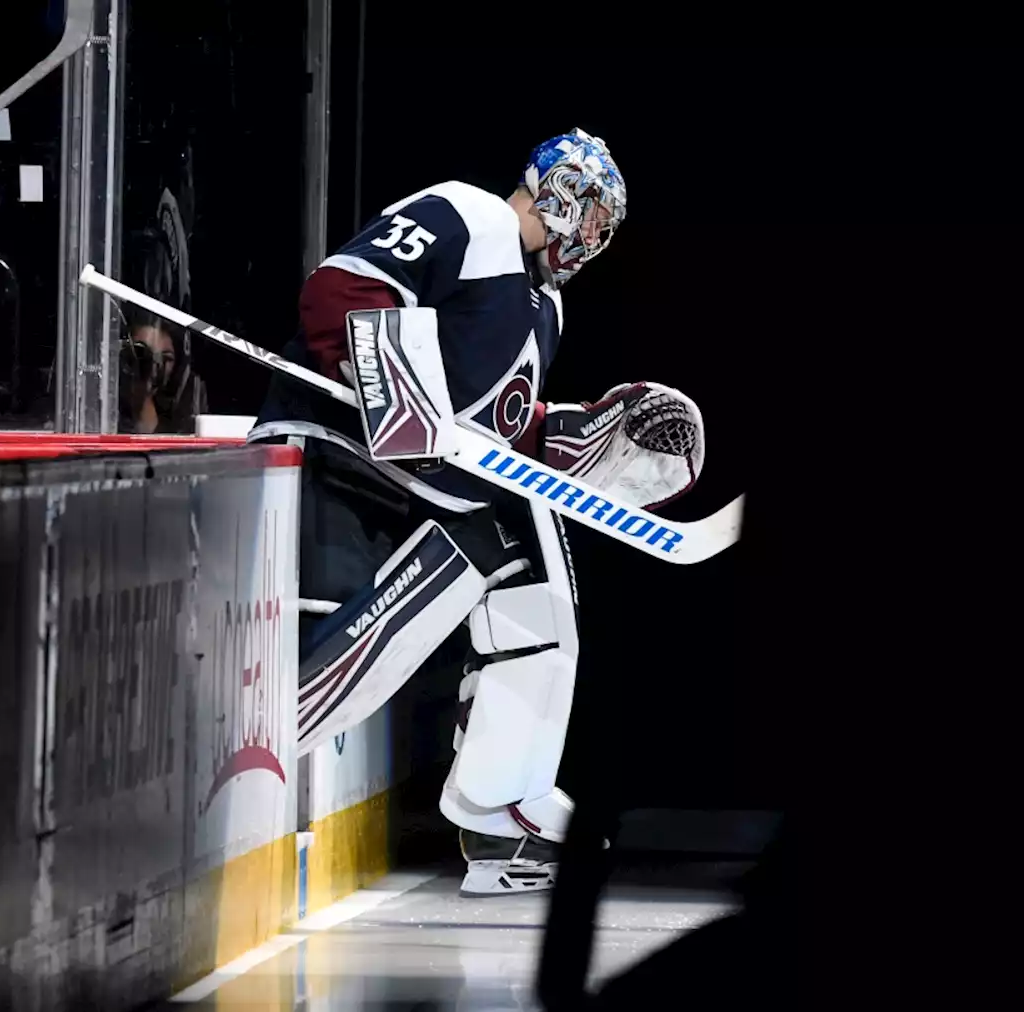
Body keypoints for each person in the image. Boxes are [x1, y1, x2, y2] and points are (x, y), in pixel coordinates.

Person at [251, 129, 705, 895]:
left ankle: (498, 817)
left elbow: (501, 433)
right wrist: (400, 396)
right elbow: (343, 289)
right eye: (592, 217)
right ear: (560, 191)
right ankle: (271, 716)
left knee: (533, 584)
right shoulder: (469, 216)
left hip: (413, 485)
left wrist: (571, 437)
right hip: (334, 454)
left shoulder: (547, 308)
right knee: (299, 679)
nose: (592, 241)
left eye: (605, 232)